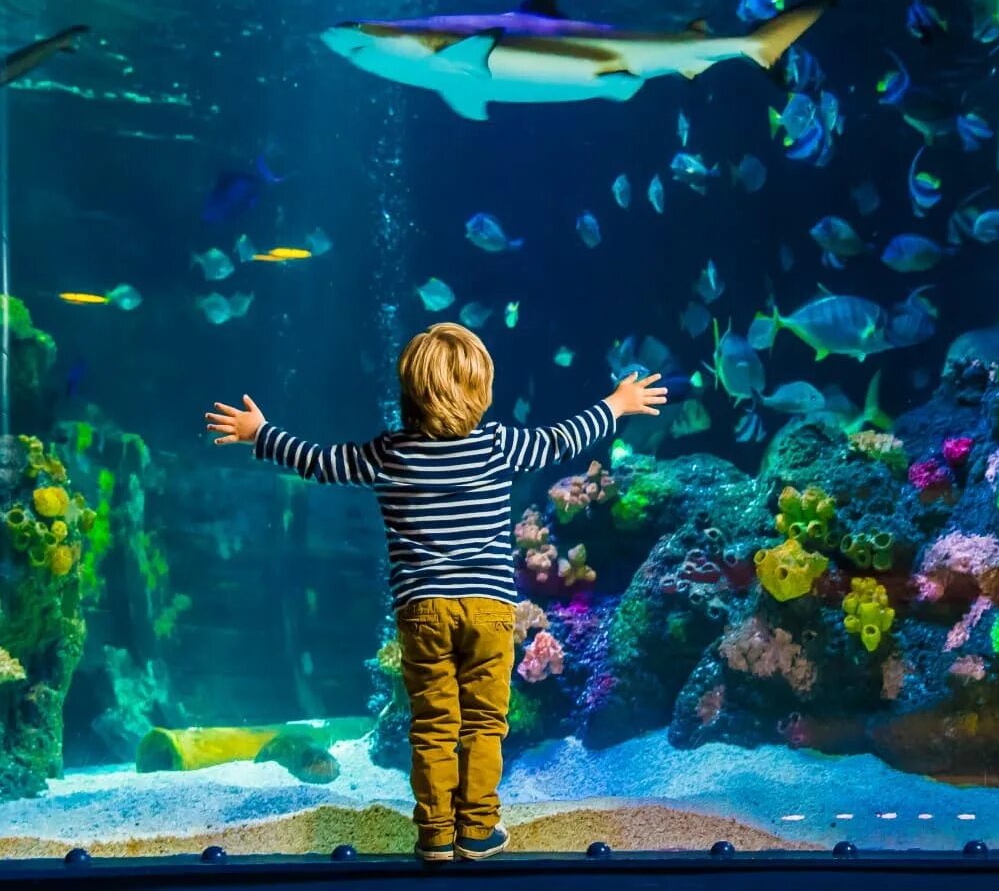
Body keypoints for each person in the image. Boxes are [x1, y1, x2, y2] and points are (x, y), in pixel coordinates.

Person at [203, 323, 667, 861]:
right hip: (490, 612)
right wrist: (616, 402)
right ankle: (476, 829)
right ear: (481, 392)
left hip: (422, 610)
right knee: (486, 721)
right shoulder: (500, 445)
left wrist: (261, 433)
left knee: (433, 723)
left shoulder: (388, 452)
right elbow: (565, 437)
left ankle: (435, 834)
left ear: (409, 393)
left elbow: (320, 462)